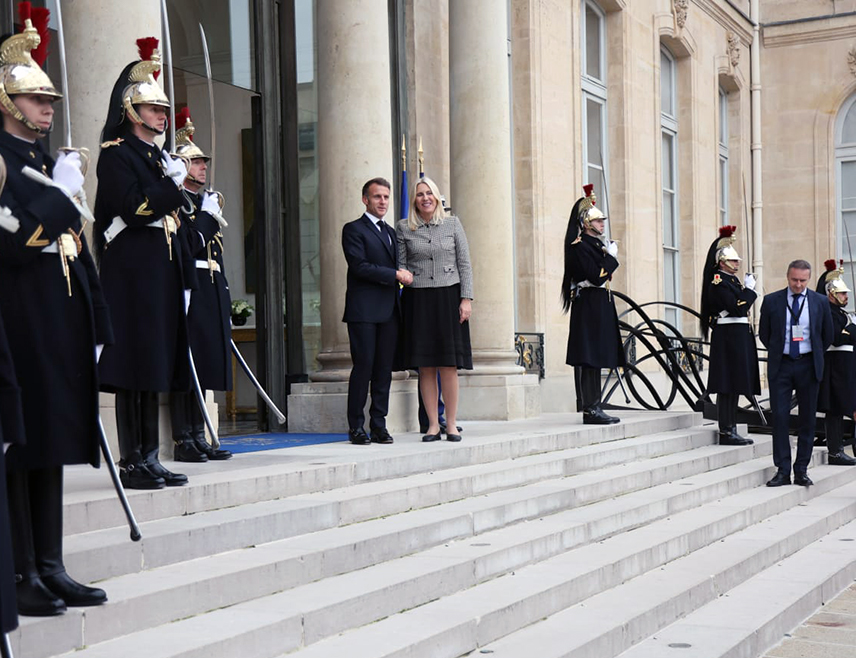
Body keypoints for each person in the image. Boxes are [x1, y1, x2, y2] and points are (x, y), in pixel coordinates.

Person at [0, 4, 112, 615]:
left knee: (53, 441)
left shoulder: (46, 162)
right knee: (23, 447)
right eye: (36, 99)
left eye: (49, 100)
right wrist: (64, 195)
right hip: (20, 321)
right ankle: (22, 572)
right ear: (7, 101)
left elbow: (77, 249)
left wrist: (97, 320)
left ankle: (51, 564)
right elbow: (13, 243)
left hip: (59, 321)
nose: (47, 108)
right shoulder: (2, 163)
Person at [94, 37, 193, 489]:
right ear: (132, 111)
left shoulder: (157, 157)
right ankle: (132, 459)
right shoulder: (117, 154)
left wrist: (175, 184)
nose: (162, 115)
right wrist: (171, 187)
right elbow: (135, 210)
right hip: (133, 273)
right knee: (134, 366)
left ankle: (151, 456)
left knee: (152, 364)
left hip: (158, 271)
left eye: (163, 109)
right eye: (154, 108)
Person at [169, 109, 232, 462]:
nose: (203, 166)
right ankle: (184, 438)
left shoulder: (202, 200)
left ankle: (200, 433)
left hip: (209, 288)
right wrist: (207, 217)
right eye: (195, 162)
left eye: (203, 161)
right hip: (188, 287)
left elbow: (215, 254)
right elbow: (189, 244)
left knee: (204, 364)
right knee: (187, 366)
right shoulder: (177, 201)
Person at [396, 177, 473, 443]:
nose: (425, 198)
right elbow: (401, 264)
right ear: (414, 200)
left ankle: (451, 424)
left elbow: (465, 264)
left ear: (437, 197)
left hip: (448, 297)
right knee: (426, 366)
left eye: (429, 193)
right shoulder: (403, 228)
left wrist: (466, 299)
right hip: (418, 300)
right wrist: (403, 275)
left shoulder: (452, 224)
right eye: (420, 194)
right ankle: (432, 425)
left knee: (448, 365)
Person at [342, 178, 412, 445]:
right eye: (377, 197)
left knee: (383, 370)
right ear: (365, 200)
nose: (382, 202)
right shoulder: (353, 229)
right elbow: (359, 266)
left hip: (390, 311)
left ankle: (379, 425)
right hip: (363, 312)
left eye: (386, 197)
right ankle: (356, 427)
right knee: (364, 368)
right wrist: (395, 274)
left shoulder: (391, 232)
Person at [759, 259, 833, 487]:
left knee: (807, 420)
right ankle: (782, 470)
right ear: (787, 277)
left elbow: (827, 335)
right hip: (781, 365)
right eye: (794, 280)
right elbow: (765, 334)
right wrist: (779, 351)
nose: (798, 285)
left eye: (802, 280)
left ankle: (801, 470)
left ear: (809, 278)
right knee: (780, 418)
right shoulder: (772, 301)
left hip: (808, 365)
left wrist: (812, 354)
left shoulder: (820, 301)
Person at [561, 184, 624, 424]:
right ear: (587, 223)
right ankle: (590, 408)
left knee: (597, 356)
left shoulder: (596, 245)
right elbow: (597, 276)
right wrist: (611, 258)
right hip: (589, 304)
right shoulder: (580, 246)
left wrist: (607, 258)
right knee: (590, 358)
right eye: (598, 221)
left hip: (599, 303)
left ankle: (596, 405)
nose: (602, 224)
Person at [699, 225, 760, 446]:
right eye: (733, 261)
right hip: (728, 337)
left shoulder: (731, 280)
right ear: (722, 262)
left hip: (737, 336)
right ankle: (726, 430)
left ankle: (731, 427)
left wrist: (745, 290)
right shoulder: (718, 281)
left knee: (735, 384)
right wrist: (750, 291)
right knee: (727, 385)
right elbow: (737, 308)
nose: (737, 263)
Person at [815, 260, 856, 466]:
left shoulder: (841, 313)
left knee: (841, 409)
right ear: (831, 294)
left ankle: (838, 448)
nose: (846, 297)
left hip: (844, 366)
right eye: (842, 294)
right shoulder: (828, 312)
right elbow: (837, 338)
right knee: (835, 410)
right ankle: (835, 451)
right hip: (835, 366)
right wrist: (852, 328)